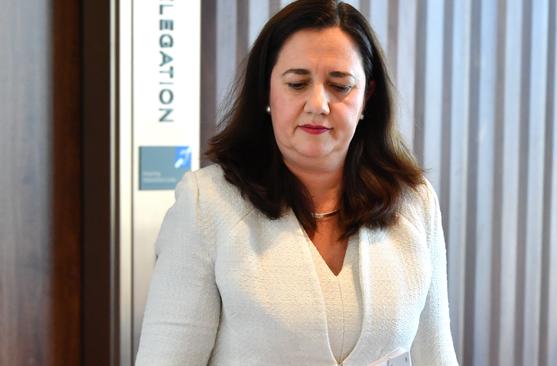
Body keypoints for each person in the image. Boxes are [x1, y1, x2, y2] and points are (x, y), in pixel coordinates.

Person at [136, 0, 458, 365]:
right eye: (297, 83)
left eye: (340, 86)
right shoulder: (206, 203)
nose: (318, 103)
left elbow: (437, 353)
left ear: (367, 96)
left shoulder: (413, 202)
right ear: (267, 91)